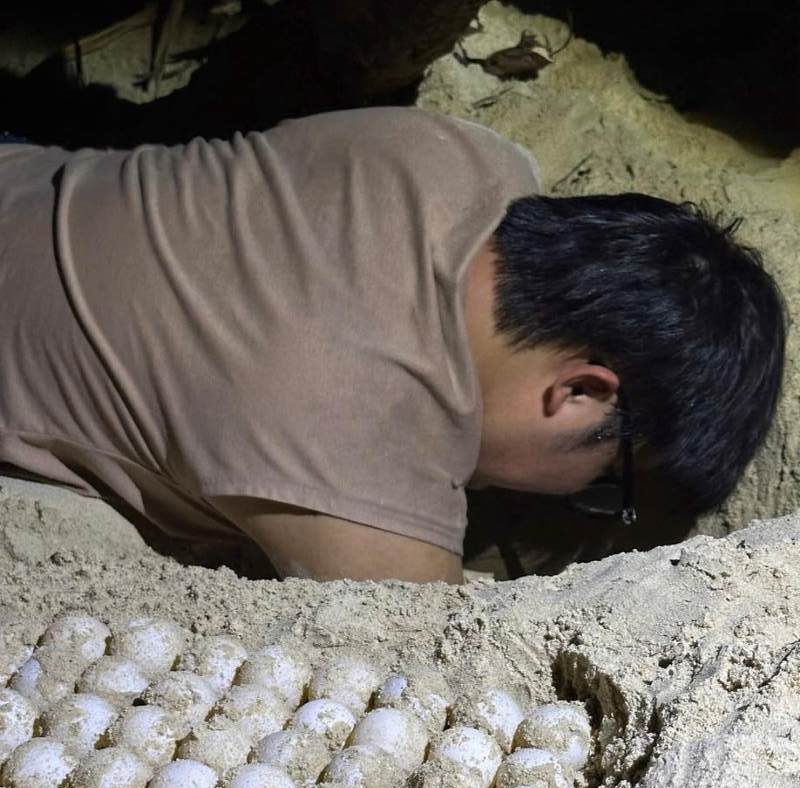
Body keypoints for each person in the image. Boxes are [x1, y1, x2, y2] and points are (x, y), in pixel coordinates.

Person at [0, 108, 786, 582]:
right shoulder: (352, 446)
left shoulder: (464, 155)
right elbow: (422, 652)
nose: (563, 507)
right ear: (580, 392)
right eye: (598, 490)